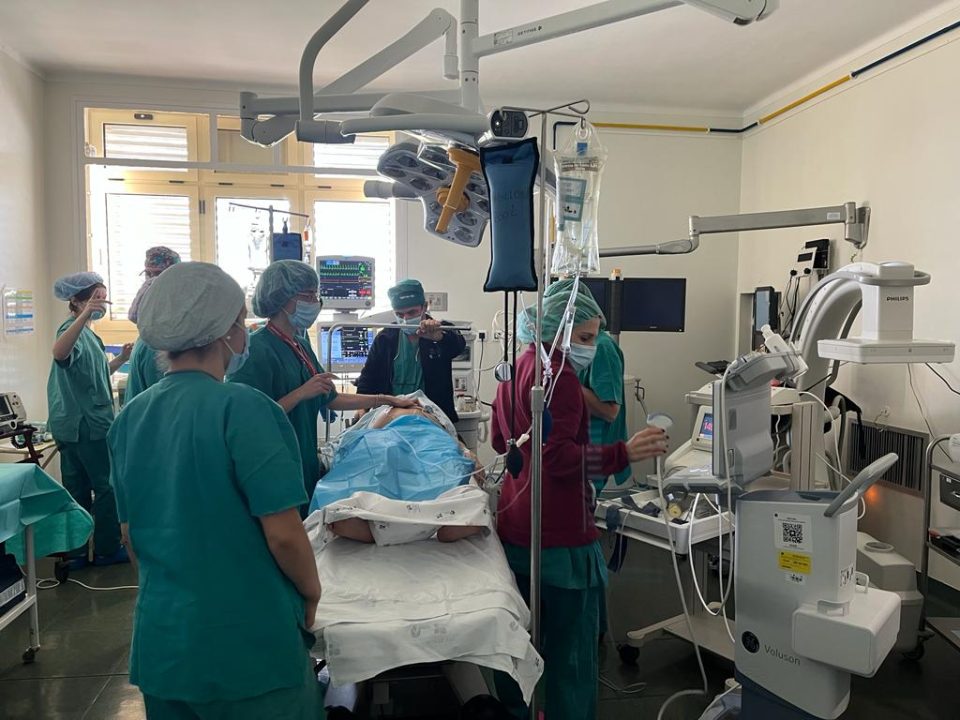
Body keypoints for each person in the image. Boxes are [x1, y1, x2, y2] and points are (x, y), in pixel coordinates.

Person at [107, 262, 324, 719]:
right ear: (228, 331)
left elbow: (129, 536)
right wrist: (311, 591)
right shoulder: (244, 408)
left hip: (165, 643)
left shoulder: (131, 417)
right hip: (245, 646)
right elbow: (284, 536)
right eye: (241, 322)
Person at [491, 279, 668, 720]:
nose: (590, 348)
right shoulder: (561, 379)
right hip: (560, 537)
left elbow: (499, 441)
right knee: (571, 655)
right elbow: (558, 460)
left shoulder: (516, 367)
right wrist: (622, 453)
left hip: (517, 528)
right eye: (585, 338)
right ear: (560, 332)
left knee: (520, 647)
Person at [228, 260, 415, 500]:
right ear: (282, 298)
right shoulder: (256, 349)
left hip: (303, 459)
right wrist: (300, 394)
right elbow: (247, 419)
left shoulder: (300, 344)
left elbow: (331, 398)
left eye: (316, 296)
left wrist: (386, 399)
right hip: (272, 461)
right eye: (307, 296)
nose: (314, 302)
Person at [48, 271, 132, 569]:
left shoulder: (88, 335)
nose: (102, 304)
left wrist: (120, 360)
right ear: (76, 300)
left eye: (104, 298)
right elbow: (60, 354)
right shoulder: (71, 329)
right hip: (86, 427)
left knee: (77, 489)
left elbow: (93, 377)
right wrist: (84, 315)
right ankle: (107, 549)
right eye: (96, 298)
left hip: (72, 424)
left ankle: (78, 552)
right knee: (105, 487)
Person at [357, 279, 465, 424]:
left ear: (424, 307)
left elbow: (458, 345)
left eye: (412, 312)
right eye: (400, 314)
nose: (406, 319)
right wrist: (362, 408)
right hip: (391, 416)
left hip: (431, 417)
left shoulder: (440, 330)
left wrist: (438, 337)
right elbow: (369, 376)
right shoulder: (385, 338)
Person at [579, 329, 631, 497]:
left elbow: (610, 411)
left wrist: (567, 381)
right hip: (575, 448)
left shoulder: (602, 347)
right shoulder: (563, 348)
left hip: (594, 445)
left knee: (584, 503)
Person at [125, 246, 181, 403]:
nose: (151, 280)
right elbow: (164, 402)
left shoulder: (149, 338)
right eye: (149, 274)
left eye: (157, 274)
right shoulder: (159, 344)